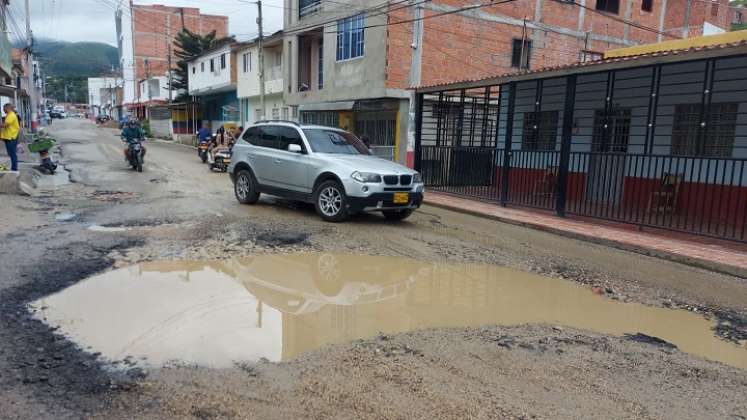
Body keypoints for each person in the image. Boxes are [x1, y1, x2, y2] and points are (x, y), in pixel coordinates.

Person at [1, 103, 20, 171]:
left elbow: (4, 125)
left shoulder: (11, 115)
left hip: (11, 137)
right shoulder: (9, 115)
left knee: (12, 154)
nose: (3, 110)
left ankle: (14, 168)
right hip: (9, 137)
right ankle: (14, 168)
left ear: (8, 108)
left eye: (4, 108)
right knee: (11, 153)